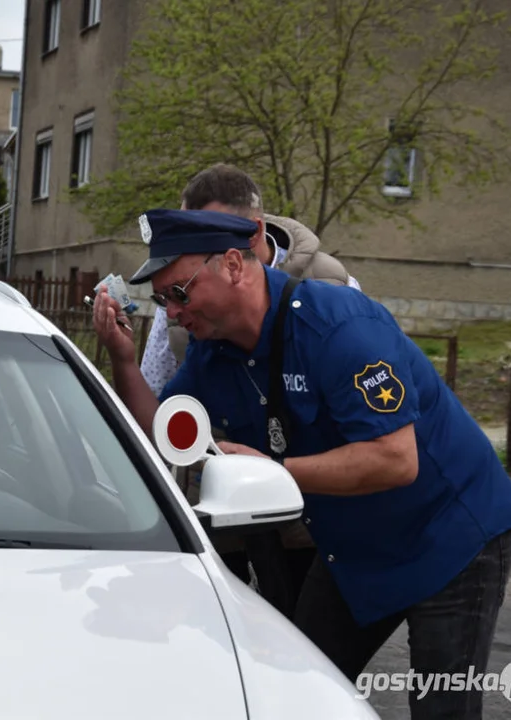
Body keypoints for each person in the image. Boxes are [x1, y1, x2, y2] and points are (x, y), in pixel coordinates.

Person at [91, 207, 511, 719]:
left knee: (442, 708)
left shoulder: (338, 325)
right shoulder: (215, 353)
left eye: (180, 293)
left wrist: (272, 470)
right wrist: (123, 359)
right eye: (162, 298)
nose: (170, 313)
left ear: (233, 265)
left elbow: (395, 460)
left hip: (450, 535)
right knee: (292, 693)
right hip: (355, 542)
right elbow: (167, 436)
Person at [143, 164, 362, 615]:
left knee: (307, 640)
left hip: (311, 513)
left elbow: (372, 427)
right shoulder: (185, 301)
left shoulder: (332, 288)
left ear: (251, 233)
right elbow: (156, 402)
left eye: (209, 234)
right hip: (220, 506)